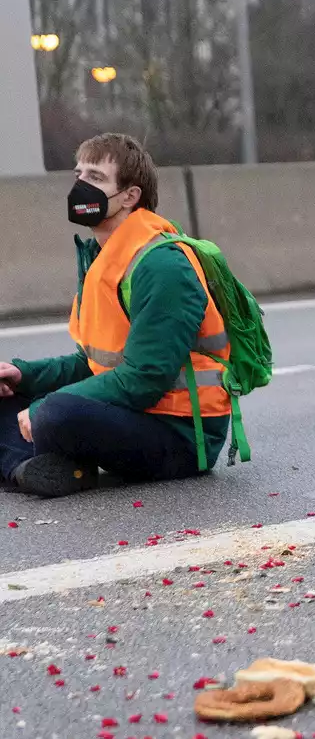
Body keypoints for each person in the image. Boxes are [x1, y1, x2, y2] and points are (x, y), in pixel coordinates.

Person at [0, 133, 230, 497]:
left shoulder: (163, 265)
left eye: (95, 177)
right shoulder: (102, 258)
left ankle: (26, 462)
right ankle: (29, 469)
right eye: (78, 175)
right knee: (6, 394)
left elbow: (145, 378)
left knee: (56, 413)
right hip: (130, 417)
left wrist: (45, 406)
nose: (80, 186)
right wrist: (24, 375)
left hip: (181, 435)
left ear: (130, 196)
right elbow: (92, 364)